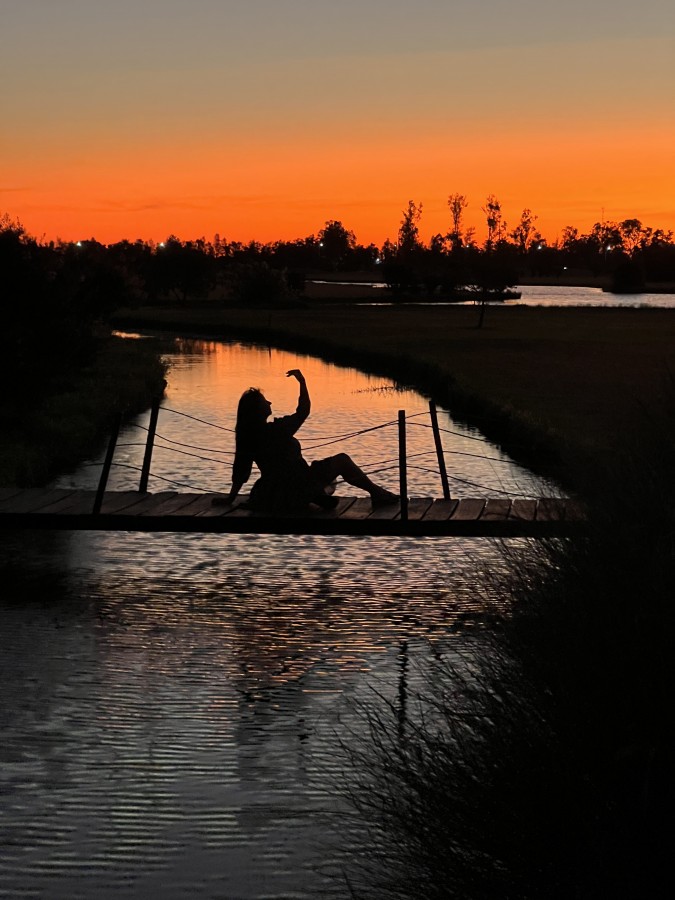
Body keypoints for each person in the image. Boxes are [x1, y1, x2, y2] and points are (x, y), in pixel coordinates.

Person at [218, 369, 399, 512]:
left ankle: (318, 496)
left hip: (272, 492)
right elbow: (303, 411)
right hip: (298, 486)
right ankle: (376, 493)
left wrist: (231, 498)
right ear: (257, 410)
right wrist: (302, 382)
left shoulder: (247, 436)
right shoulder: (278, 429)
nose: (270, 403)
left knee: (318, 468)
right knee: (342, 460)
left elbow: (241, 470)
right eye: (266, 401)